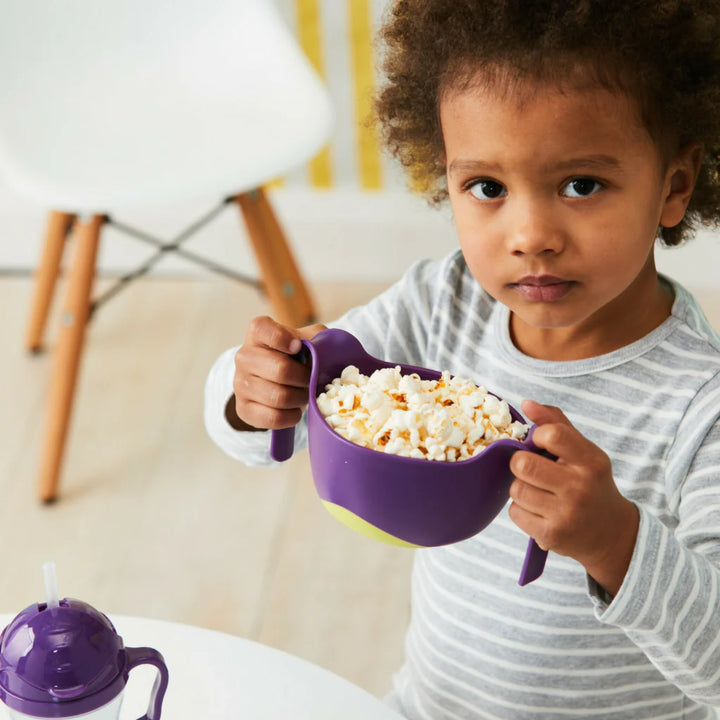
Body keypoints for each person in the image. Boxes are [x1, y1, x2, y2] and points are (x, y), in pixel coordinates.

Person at [204, 1, 720, 717]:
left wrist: (617, 542)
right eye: (488, 188)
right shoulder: (440, 301)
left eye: (582, 185)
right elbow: (293, 395)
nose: (531, 234)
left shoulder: (702, 405)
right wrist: (253, 391)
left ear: (674, 187)